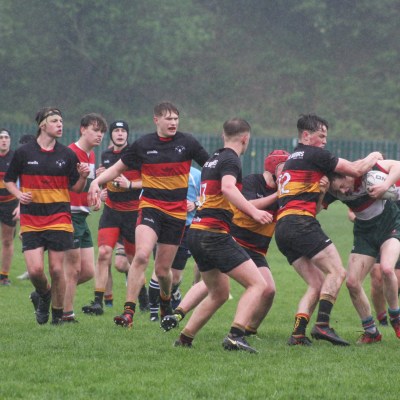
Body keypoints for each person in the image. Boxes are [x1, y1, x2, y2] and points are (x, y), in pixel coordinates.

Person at [87, 102, 209, 328]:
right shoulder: (143, 144)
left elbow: (210, 168)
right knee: (142, 255)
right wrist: (96, 182)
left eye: (176, 119)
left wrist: (209, 196)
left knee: (163, 272)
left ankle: (165, 300)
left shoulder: (188, 142)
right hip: (150, 207)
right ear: (156, 120)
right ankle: (128, 313)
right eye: (168, 118)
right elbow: (118, 168)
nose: (173, 122)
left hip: (176, 214)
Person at [166, 118, 274, 353]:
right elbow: (227, 187)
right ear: (245, 138)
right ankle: (236, 336)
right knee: (258, 284)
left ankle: (184, 339)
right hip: (213, 233)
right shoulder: (231, 159)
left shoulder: (213, 159)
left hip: (197, 231)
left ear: (223, 135)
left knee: (219, 293)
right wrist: (254, 211)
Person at [274, 113, 383, 346]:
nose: (324, 141)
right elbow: (355, 170)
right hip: (301, 223)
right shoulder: (315, 154)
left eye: (326, 137)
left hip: (282, 228)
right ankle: (322, 325)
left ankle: (298, 334)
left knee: (316, 283)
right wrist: (373, 156)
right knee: (337, 272)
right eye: (321, 136)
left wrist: (322, 191)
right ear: (306, 135)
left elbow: (314, 208)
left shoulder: (293, 159)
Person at [4, 107, 90, 325]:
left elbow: (76, 188)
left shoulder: (67, 154)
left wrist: (82, 177)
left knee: (56, 269)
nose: (60, 124)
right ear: (42, 125)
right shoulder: (24, 153)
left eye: (61, 120)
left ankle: (57, 317)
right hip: (32, 219)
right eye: (54, 121)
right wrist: (18, 195)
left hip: (59, 218)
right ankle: (43, 295)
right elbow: (9, 180)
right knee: (35, 271)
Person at [325, 160, 400, 343]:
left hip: (389, 225)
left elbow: (397, 166)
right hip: (364, 234)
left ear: (348, 175)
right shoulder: (333, 190)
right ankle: (372, 332)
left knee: (387, 269)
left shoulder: (367, 171)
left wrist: (385, 185)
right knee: (352, 282)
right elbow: (316, 207)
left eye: (342, 186)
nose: (343, 191)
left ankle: (396, 318)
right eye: (337, 190)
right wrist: (320, 191)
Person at [82, 120, 145, 316]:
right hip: (111, 212)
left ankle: (144, 299)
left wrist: (130, 184)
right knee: (103, 253)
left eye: (123, 131)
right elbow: (105, 182)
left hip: (133, 213)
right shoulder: (106, 155)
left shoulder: (136, 154)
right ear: (111, 135)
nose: (120, 134)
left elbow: (148, 181)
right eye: (116, 131)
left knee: (134, 259)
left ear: (128, 134)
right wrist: (102, 190)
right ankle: (98, 302)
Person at [62, 113, 107, 322]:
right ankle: (66, 314)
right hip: (68, 215)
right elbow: (64, 186)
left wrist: (95, 198)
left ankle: (47, 294)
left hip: (82, 216)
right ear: (82, 129)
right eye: (95, 130)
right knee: (73, 270)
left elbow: (84, 187)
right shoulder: (70, 153)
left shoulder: (91, 155)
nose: (100, 135)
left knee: (88, 271)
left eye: (102, 132)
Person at [148, 166, 201, 322]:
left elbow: (207, 198)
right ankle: (153, 314)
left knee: (175, 277)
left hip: (186, 227)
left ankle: (175, 293)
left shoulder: (196, 175)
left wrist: (195, 204)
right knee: (159, 271)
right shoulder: (162, 170)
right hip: (164, 226)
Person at [15, 135, 37, 281]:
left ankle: (33, 268)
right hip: (27, 207)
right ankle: (31, 269)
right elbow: (21, 190)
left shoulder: (36, 164)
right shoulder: (21, 164)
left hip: (40, 208)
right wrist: (19, 207)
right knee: (24, 235)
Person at [0, 129, 19, 286]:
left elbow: (23, 182)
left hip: (9, 204)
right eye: (1, 137)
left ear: (10, 140)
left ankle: (3, 276)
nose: (4, 140)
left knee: (7, 240)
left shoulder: (15, 158)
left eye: (6, 137)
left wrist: (20, 205)